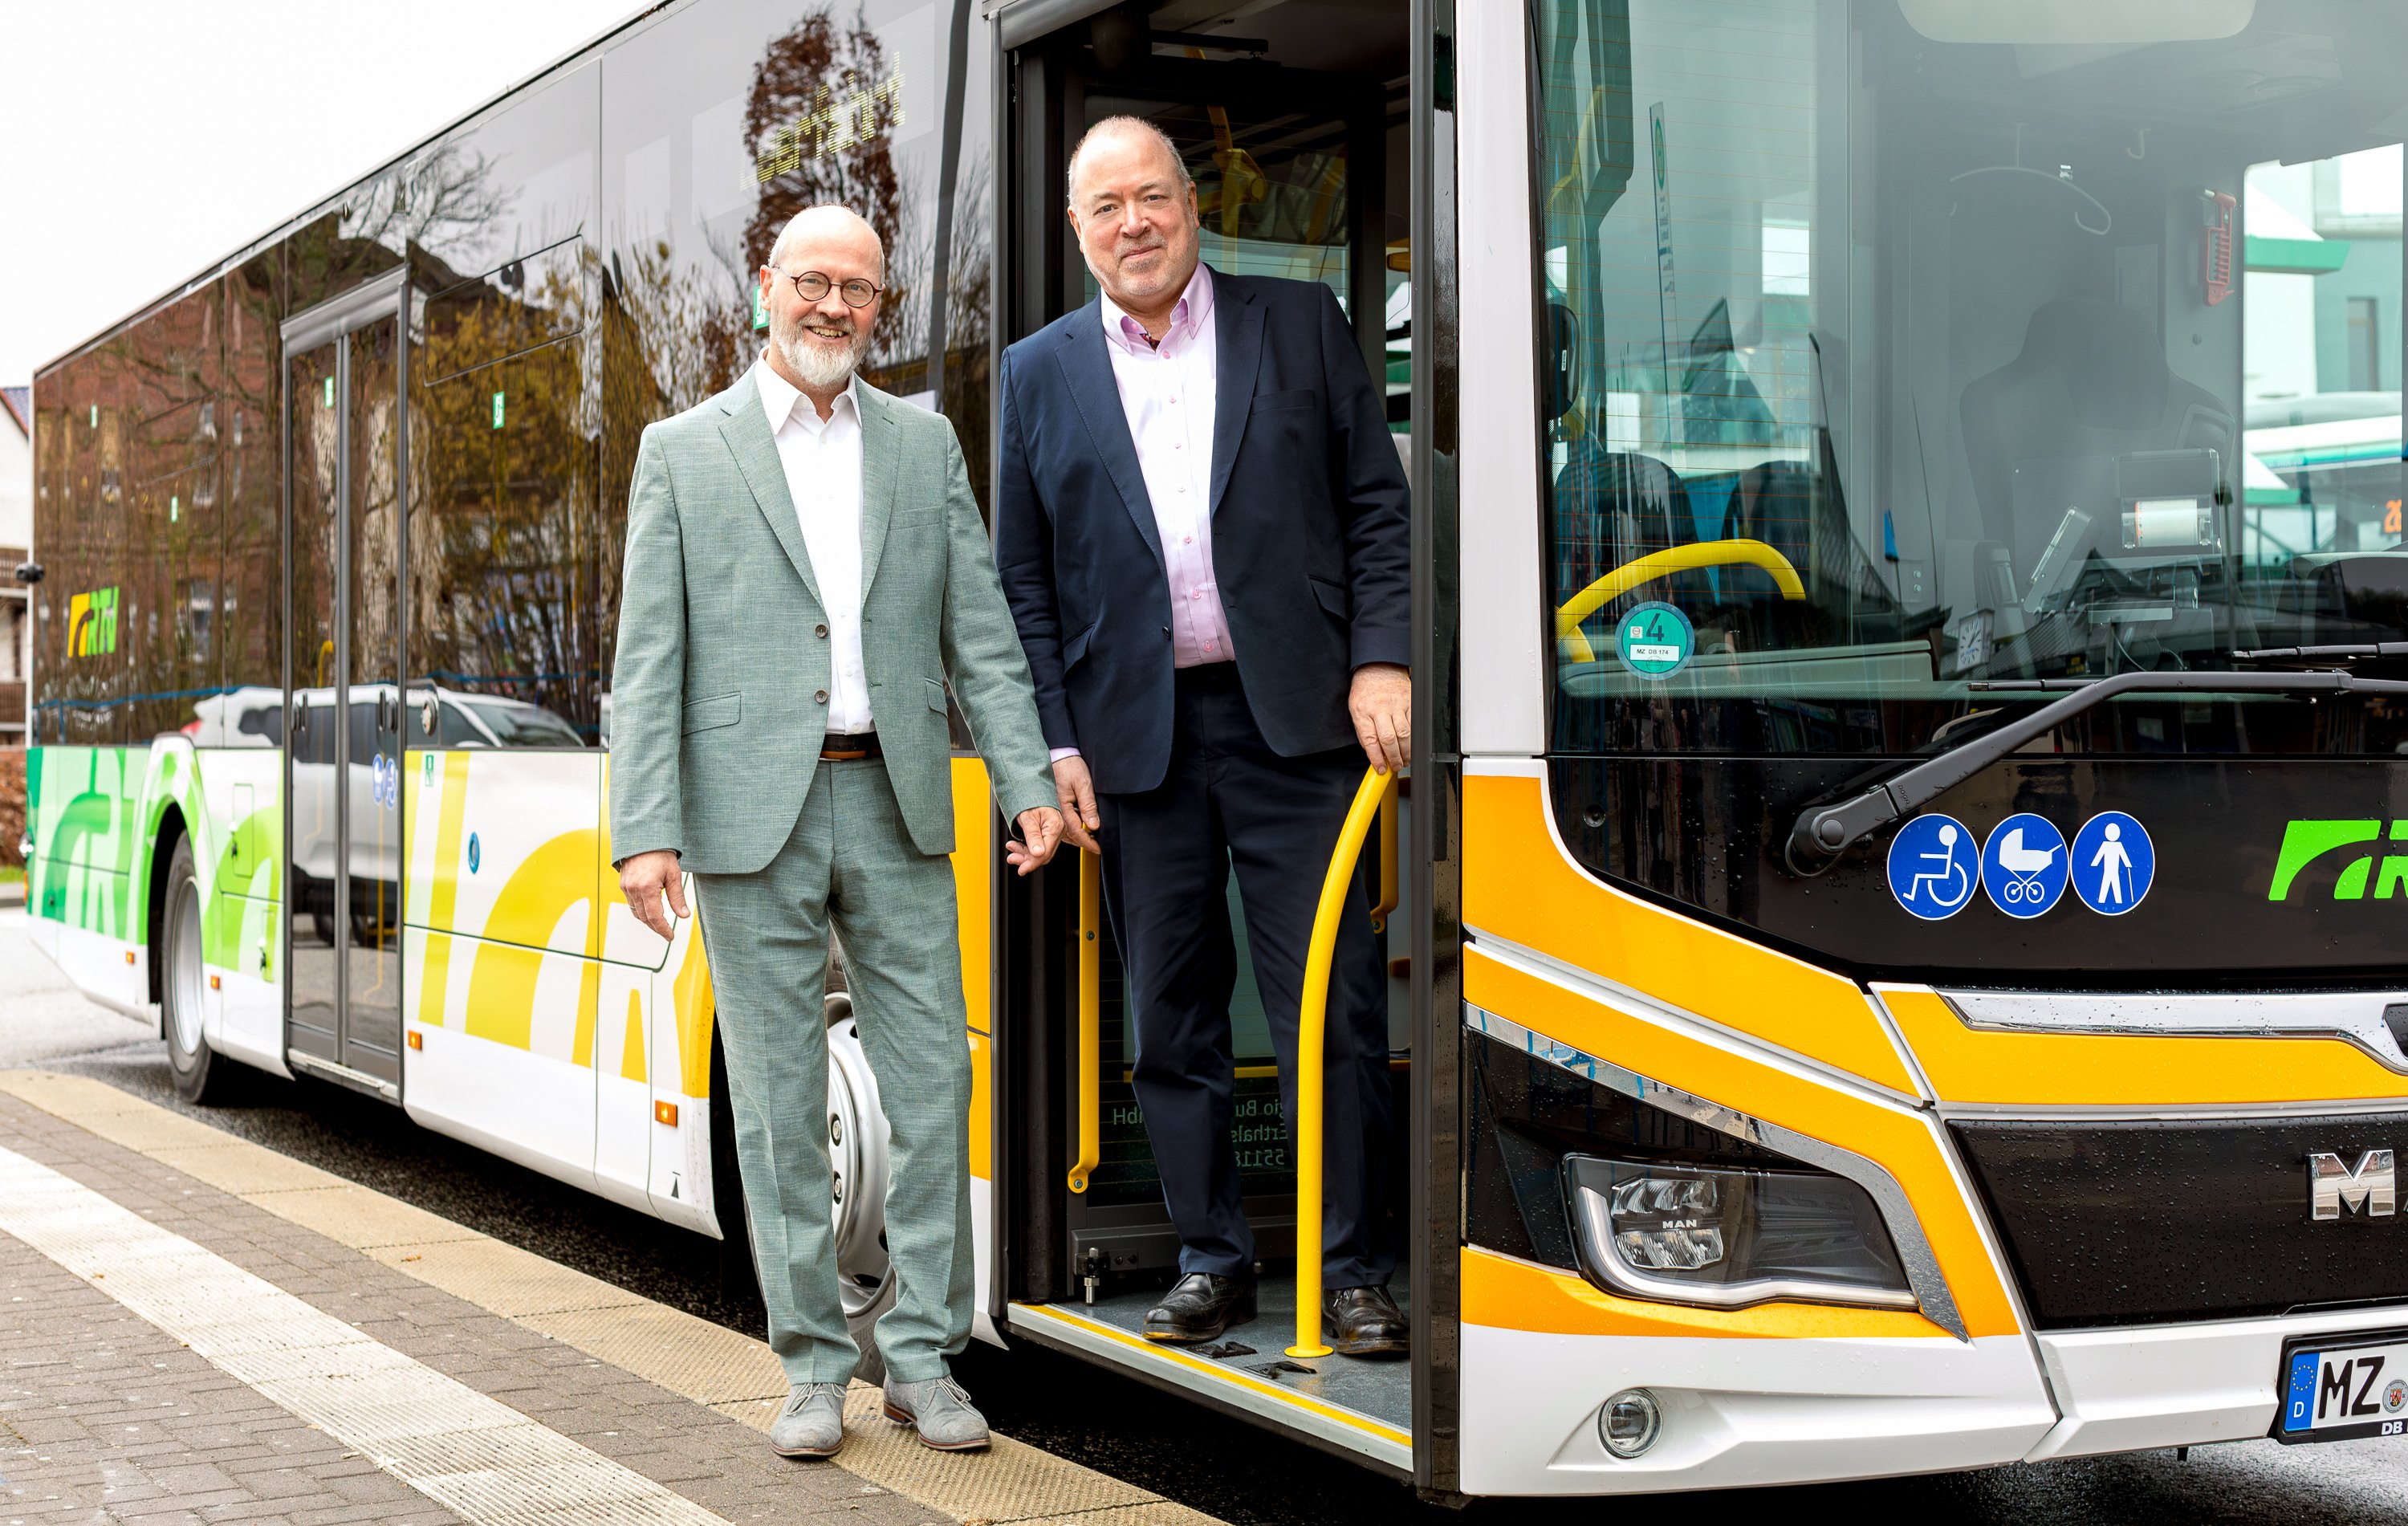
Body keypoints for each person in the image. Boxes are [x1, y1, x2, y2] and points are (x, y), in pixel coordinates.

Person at [611, 205, 1064, 1458]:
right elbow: (647, 658)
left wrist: (1023, 773)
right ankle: (813, 1363)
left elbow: (979, 626)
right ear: (765, 289)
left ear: (880, 308)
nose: (834, 307)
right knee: (775, 1096)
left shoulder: (923, 445)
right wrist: (644, 826)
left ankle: (922, 1358)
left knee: (936, 1080)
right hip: (749, 811)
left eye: (858, 290)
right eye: (811, 282)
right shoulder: (683, 451)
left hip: (900, 796)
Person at [994, 116, 1413, 1356]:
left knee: (1329, 1010)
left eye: (1155, 196)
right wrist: (1054, 743)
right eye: (1108, 205)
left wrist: (1382, 658)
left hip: (1302, 726)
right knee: (1169, 1019)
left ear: (1193, 203)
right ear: (1077, 231)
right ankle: (1211, 1260)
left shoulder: (1303, 325)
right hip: (1135, 744)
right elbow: (1025, 584)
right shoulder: (1036, 372)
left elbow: (1377, 512)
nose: (1136, 221)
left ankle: (1351, 1271)